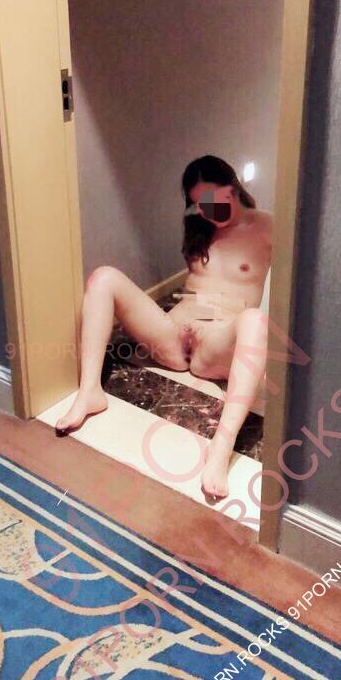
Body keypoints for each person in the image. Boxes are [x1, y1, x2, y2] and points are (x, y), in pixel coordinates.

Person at [55, 155, 271, 501]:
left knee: (256, 321)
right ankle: (89, 391)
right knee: (103, 277)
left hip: (216, 340)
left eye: (212, 201)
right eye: (198, 204)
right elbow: (200, 287)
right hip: (173, 330)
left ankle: (221, 446)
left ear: (232, 188)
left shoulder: (268, 227)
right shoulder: (200, 224)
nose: (206, 212)